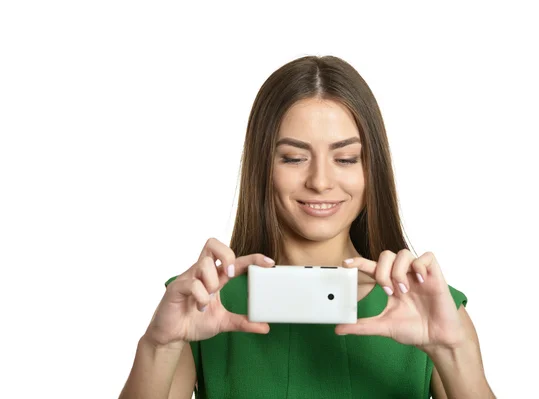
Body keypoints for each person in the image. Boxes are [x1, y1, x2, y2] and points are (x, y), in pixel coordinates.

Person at [119, 55, 495, 399]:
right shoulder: (203, 305)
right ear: (262, 167)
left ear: (372, 170)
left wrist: (452, 350)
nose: (320, 181)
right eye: (294, 157)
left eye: (346, 158)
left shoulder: (430, 307)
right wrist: (159, 346)